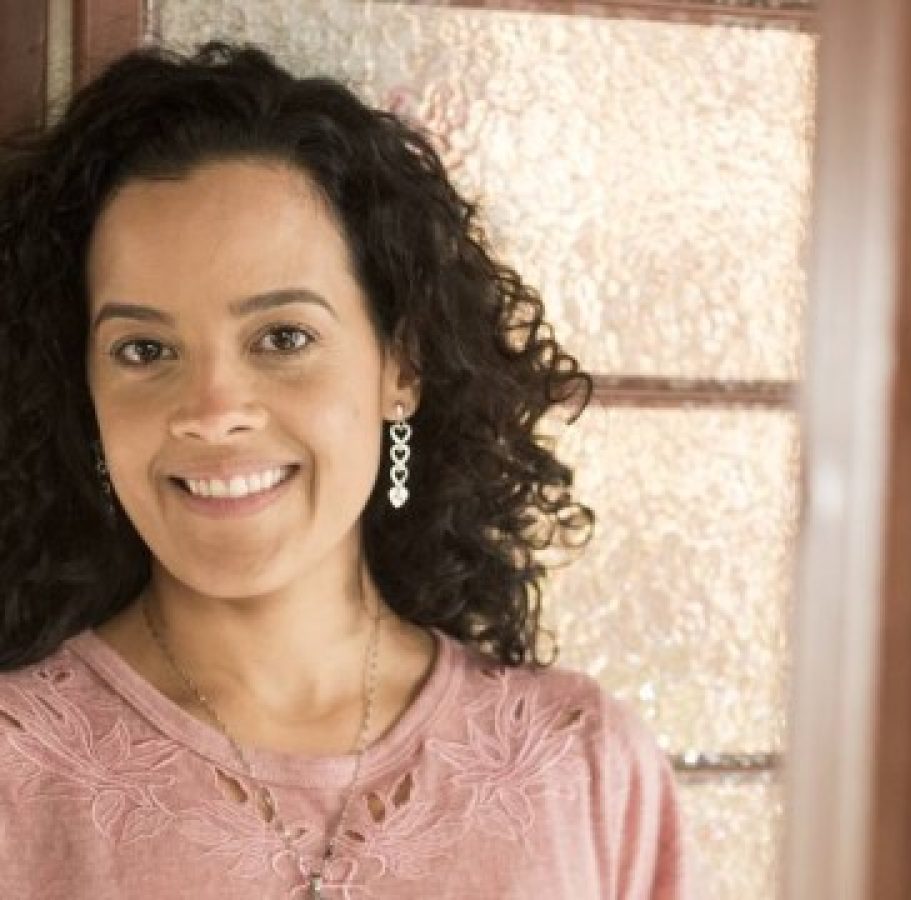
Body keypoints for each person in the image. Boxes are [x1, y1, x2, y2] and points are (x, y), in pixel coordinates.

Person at [0, 42, 695, 899]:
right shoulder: (16, 782)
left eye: (283, 337)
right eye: (144, 350)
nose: (213, 411)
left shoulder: (584, 769)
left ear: (401, 366)